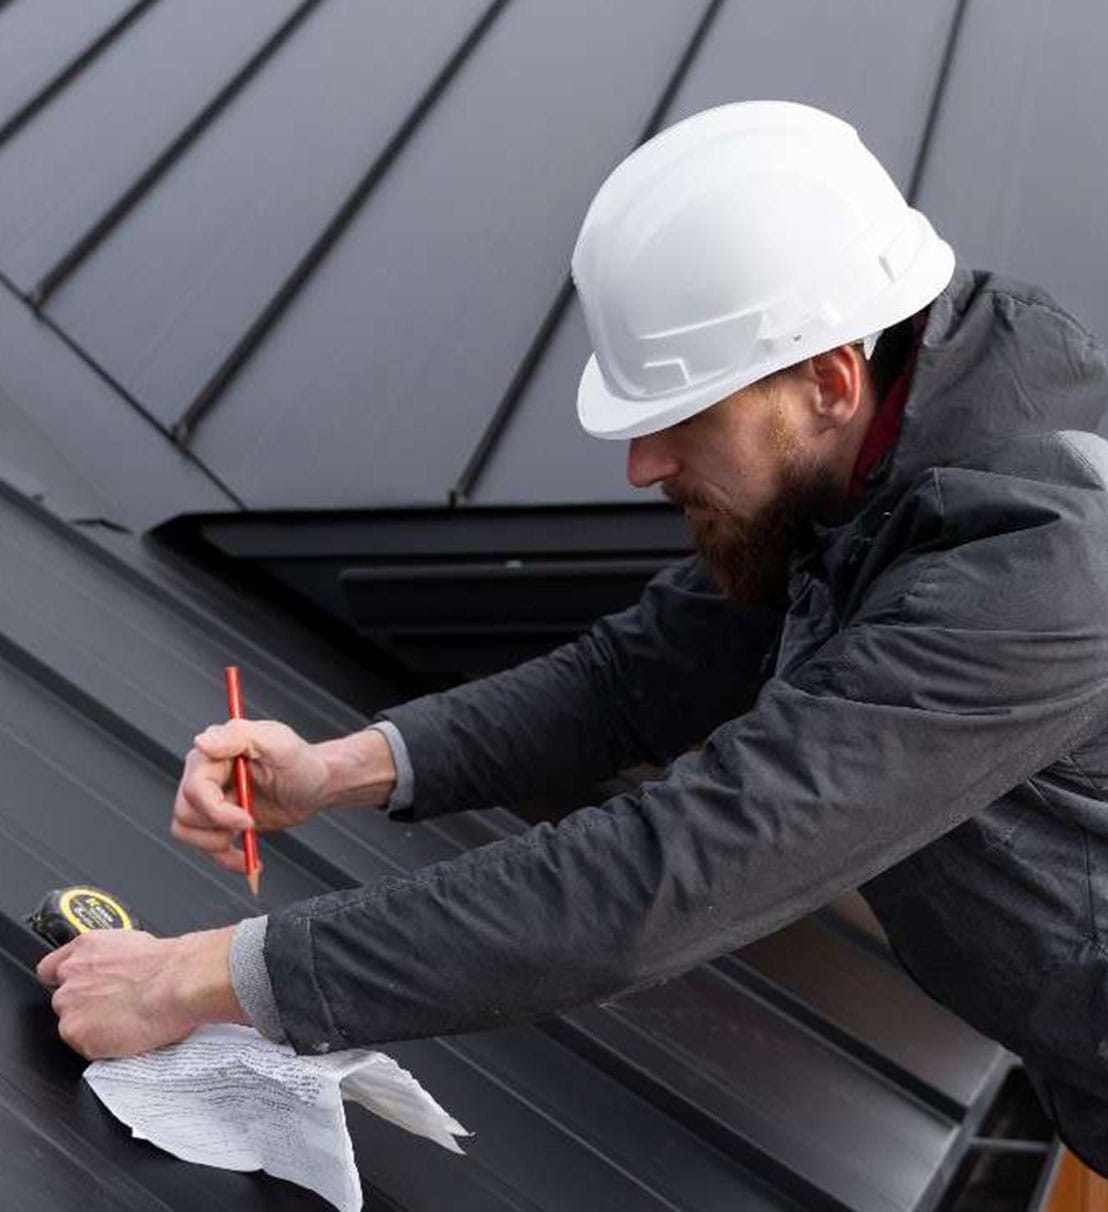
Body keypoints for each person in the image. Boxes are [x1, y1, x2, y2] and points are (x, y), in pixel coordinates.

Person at [36, 100, 1108, 1173]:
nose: (642, 466)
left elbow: (677, 871)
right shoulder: (884, 423)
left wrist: (195, 980)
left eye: (683, 415)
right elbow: (632, 680)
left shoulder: (1036, 562)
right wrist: (332, 771)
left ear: (827, 379)